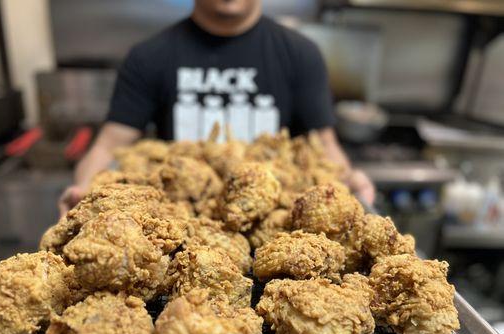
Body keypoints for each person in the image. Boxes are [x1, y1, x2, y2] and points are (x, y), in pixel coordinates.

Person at [58, 0, 375, 215]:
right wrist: (85, 188)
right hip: (178, 213)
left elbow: (324, 144)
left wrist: (349, 180)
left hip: (277, 211)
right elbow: (110, 145)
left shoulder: (300, 54)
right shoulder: (150, 56)